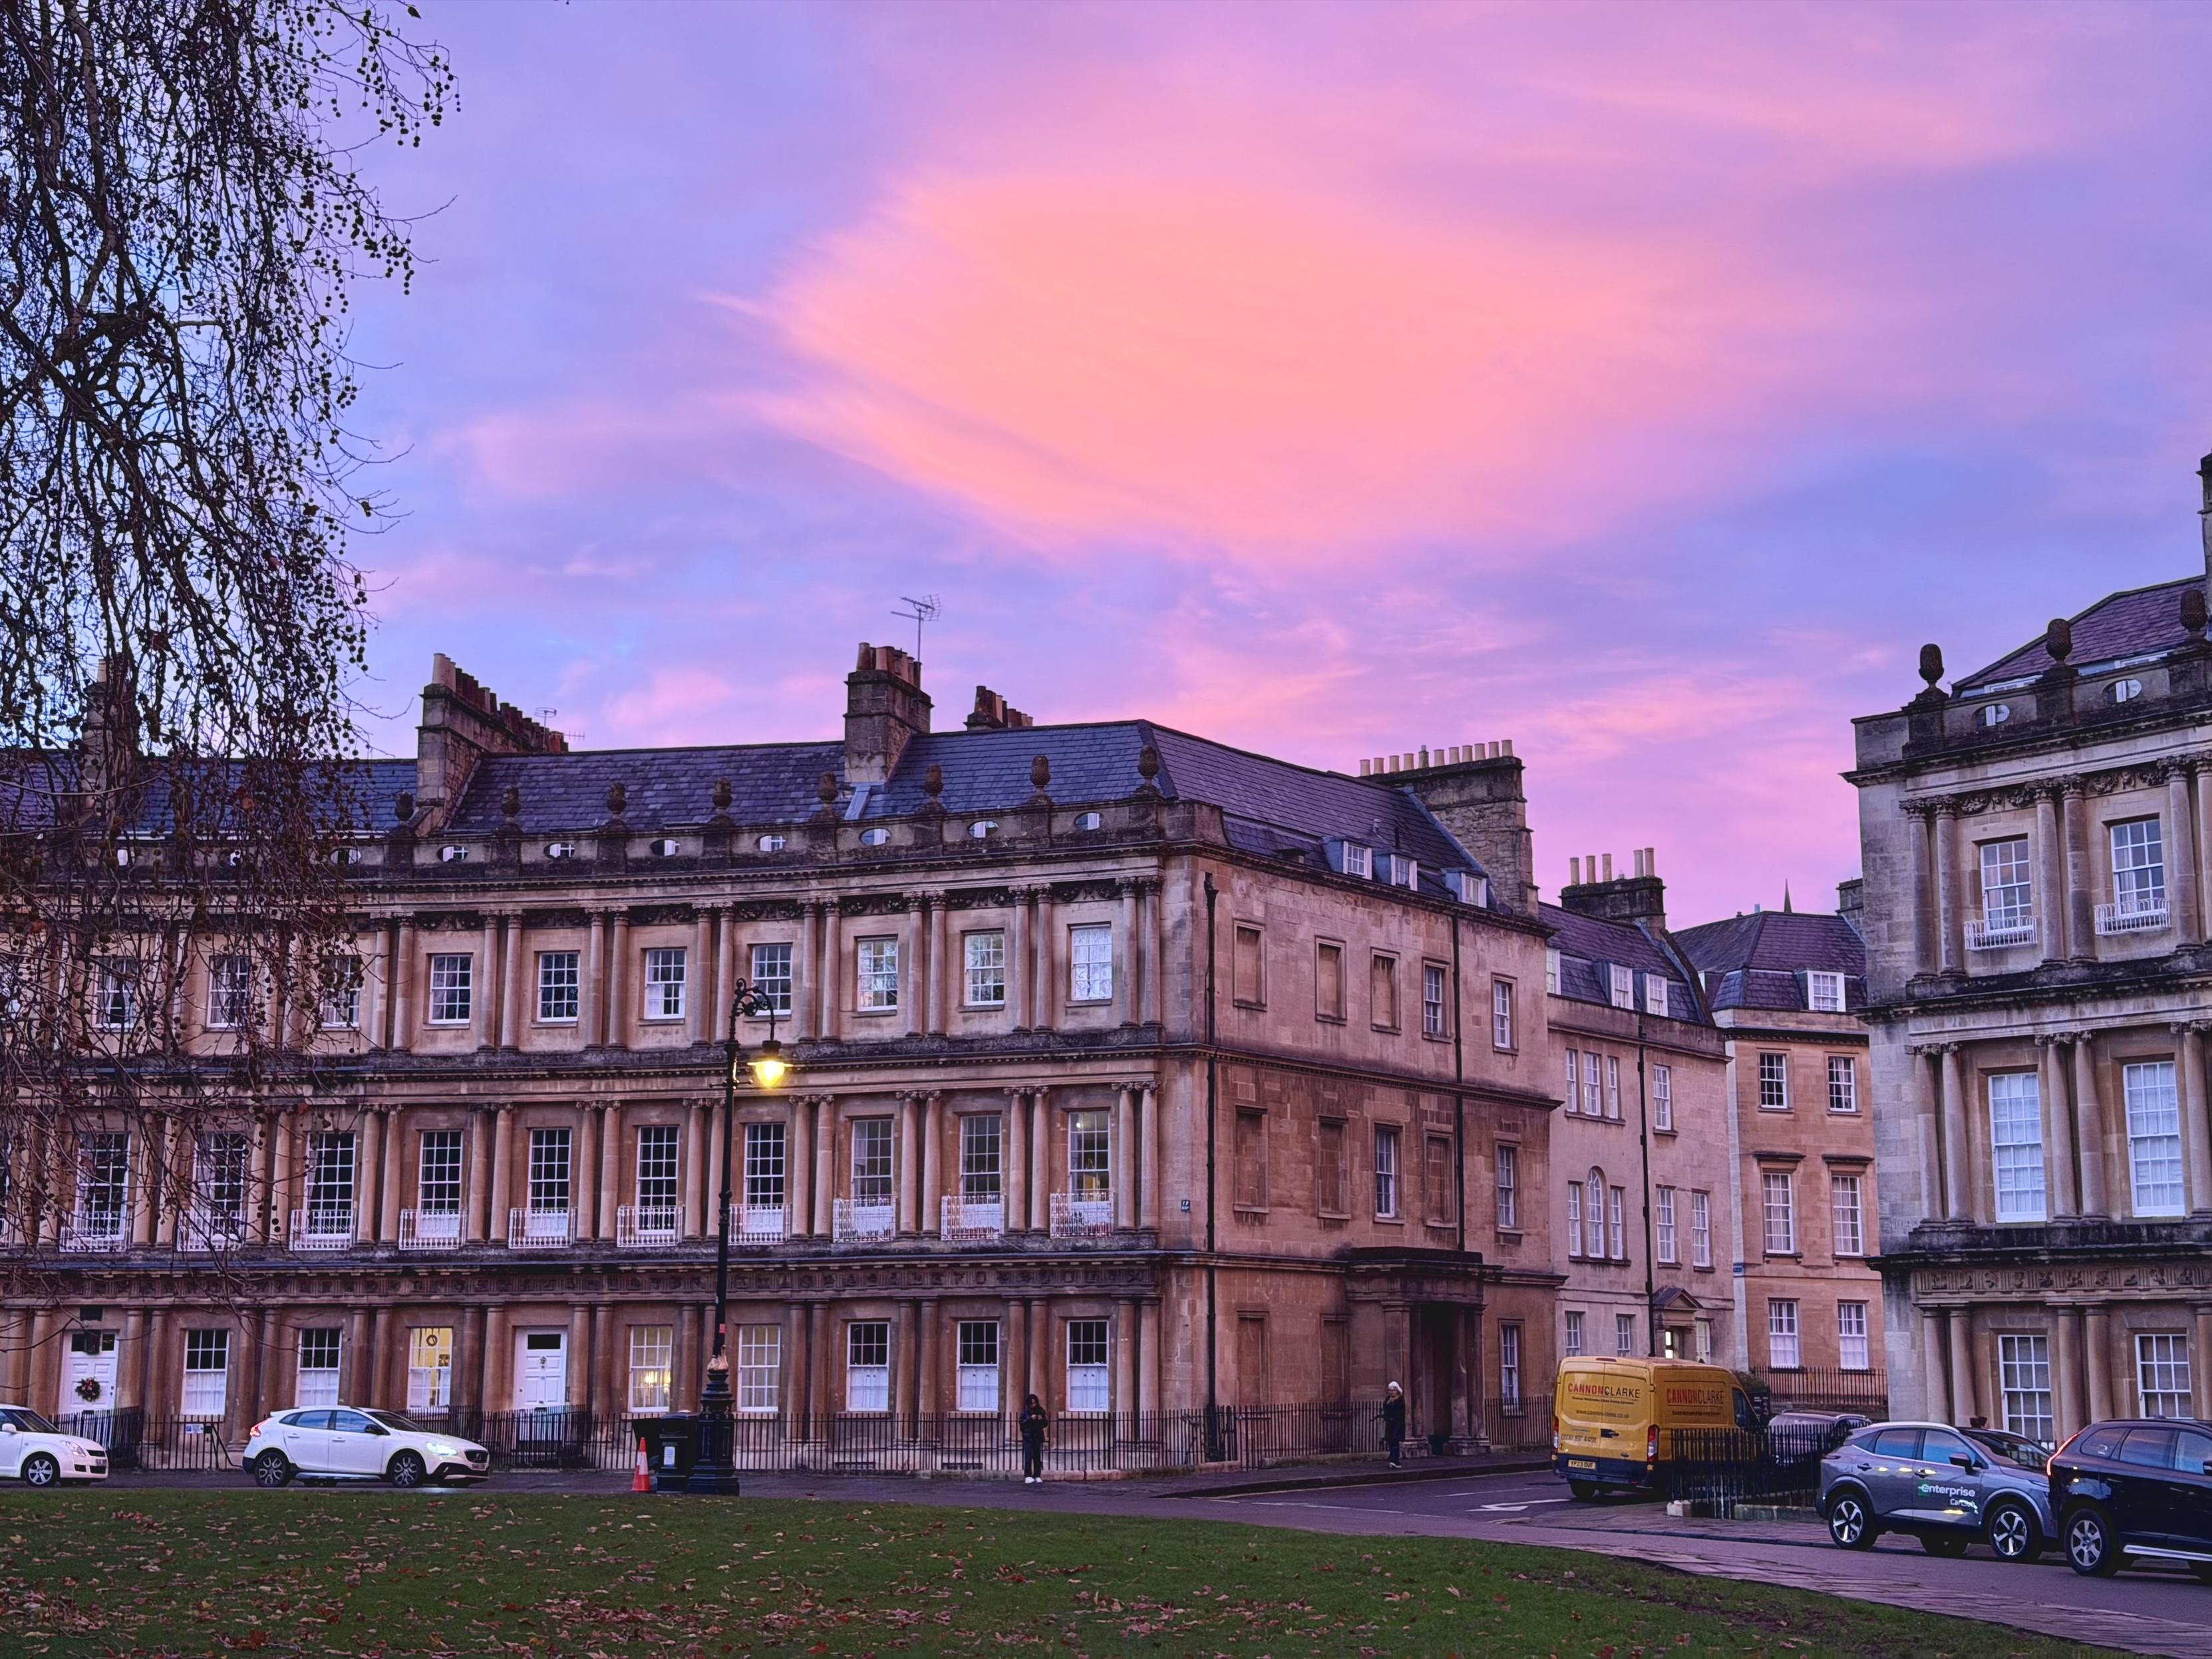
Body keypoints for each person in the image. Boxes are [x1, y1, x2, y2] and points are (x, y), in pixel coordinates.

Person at [1018, 1392, 1048, 1484]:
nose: (1033, 1405)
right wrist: (1030, 1419)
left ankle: (1037, 1475)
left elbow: (1045, 1423)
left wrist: (1040, 1419)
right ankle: (1028, 1475)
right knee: (1028, 1457)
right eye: (1031, 1403)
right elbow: (1022, 1424)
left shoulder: (1041, 1411)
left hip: (1037, 1436)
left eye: (1034, 1403)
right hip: (1028, 1437)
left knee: (1037, 1457)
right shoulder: (1025, 1412)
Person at [1381, 1382, 1406, 1469]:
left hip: (1397, 1424)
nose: (1391, 1392)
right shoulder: (1388, 1399)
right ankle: (1393, 1459)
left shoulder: (1400, 1399)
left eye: (1393, 1390)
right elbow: (1385, 1409)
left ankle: (1395, 1460)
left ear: (1397, 1391)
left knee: (1395, 1440)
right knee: (1390, 1441)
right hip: (1390, 1424)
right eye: (1390, 1390)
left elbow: (1399, 1412)